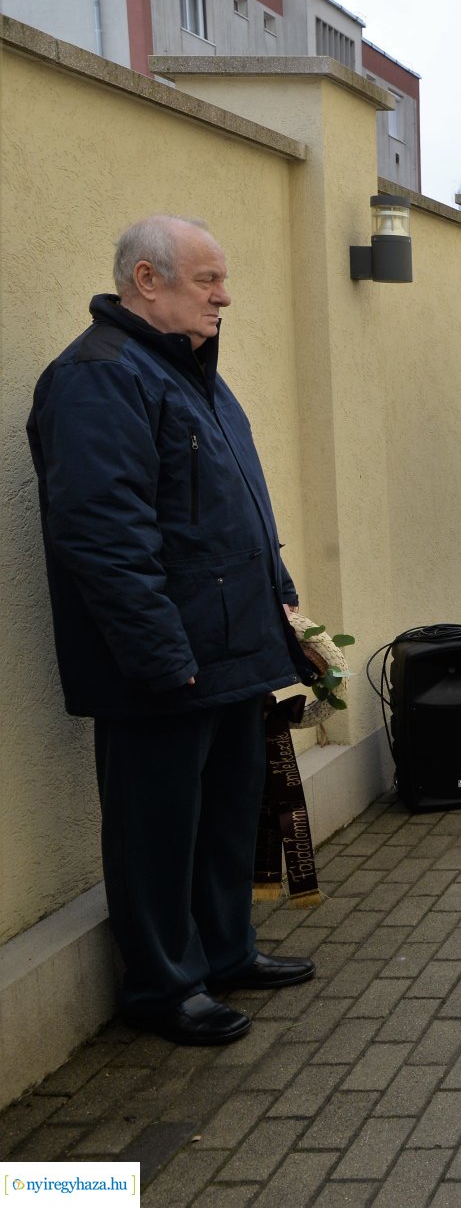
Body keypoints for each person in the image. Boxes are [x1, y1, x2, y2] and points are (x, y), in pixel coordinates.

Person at [27, 215, 316, 1046]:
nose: (224, 297)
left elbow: (237, 511)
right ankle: (163, 988)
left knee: (226, 816)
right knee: (155, 832)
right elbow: (103, 537)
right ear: (146, 281)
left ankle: (226, 951)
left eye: (224, 279)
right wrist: (161, 654)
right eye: (207, 279)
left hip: (232, 648)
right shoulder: (98, 377)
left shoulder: (189, 372)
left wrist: (283, 607)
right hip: (165, 663)